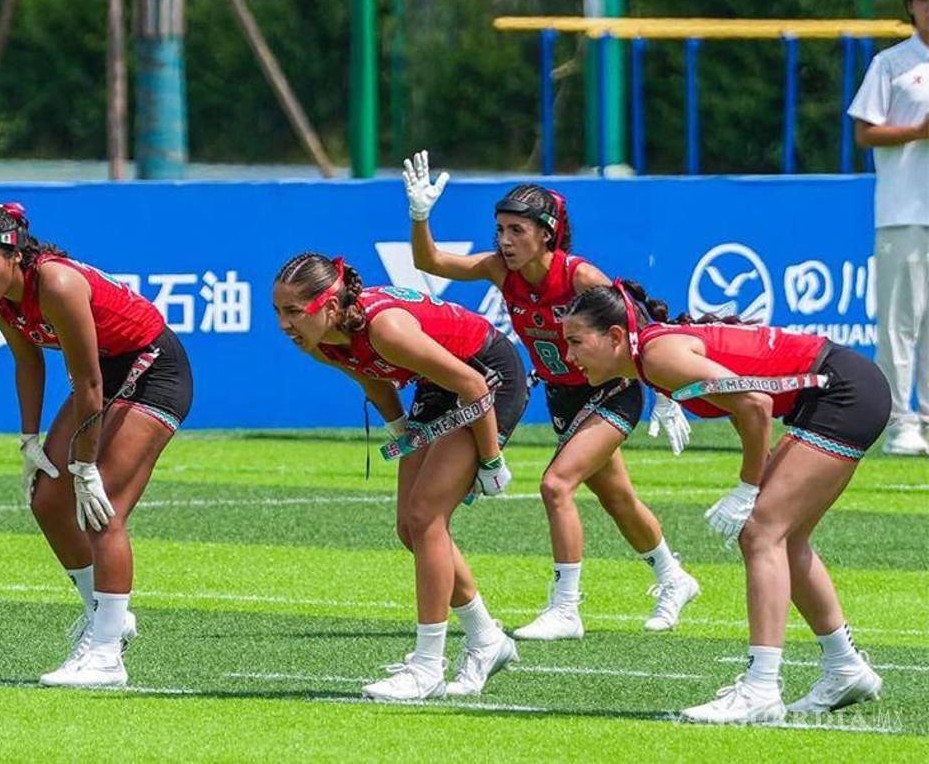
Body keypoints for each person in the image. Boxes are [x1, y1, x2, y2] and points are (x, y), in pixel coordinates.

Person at [561, 280, 889, 724]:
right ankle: (844, 666)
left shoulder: (658, 357)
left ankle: (760, 689)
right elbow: (745, 406)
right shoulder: (652, 357)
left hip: (843, 393)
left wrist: (749, 487)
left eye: (576, 341)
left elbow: (754, 404)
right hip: (844, 390)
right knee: (783, 538)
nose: (569, 356)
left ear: (616, 336)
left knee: (760, 534)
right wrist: (759, 480)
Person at [402, 151, 699, 639]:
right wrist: (419, 216)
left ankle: (566, 608)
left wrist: (666, 391)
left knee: (556, 484)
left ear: (547, 232)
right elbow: (429, 260)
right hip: (564, 397)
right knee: (618, 498)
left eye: (517, 230)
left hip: (612, 390)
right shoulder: (501, 271)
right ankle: (674, 577)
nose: (505, 240)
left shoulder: (580, 276)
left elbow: (638, 325)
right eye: (500, 229)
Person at [0, 202, 193, 688]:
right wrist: (29, 440)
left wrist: (84, 468)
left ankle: (106, 658)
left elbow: (87, 383)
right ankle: (107, 617)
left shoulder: (57, 284)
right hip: (106, 378)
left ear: (15, 254)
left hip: (153, 372)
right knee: (47, 500)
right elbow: (28, 362)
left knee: (102, 509)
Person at [273, 253, 527, 701]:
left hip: (488, 378)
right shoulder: (321, 341)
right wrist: (402, 433)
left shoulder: (385, 329)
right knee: (410, 528)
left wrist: (491, 460)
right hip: (439, 383)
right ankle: (487, 638)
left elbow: (472, 385)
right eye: (277, 311)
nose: (284, 324)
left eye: (294, 311)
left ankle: (427, 667)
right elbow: (372, 380)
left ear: (330, 305)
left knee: (427, 515)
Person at [848, 0, 929, 455]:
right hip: (904, 210)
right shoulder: (892, 63)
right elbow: (865, 131)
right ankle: (901, 421)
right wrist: (919, 131)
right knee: (901, 322)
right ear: (911, 5)